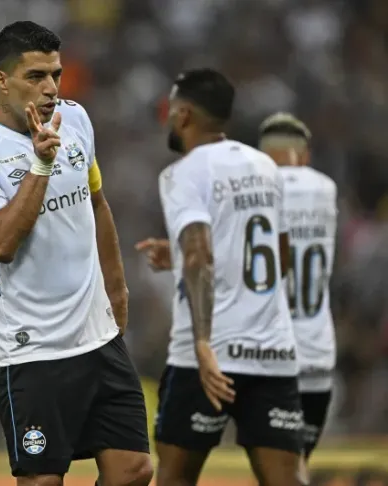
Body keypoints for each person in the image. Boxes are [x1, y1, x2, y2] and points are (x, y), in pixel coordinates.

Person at [0, 21, 152, 486]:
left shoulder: (75, 119)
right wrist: (41, 163)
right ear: (2, 80)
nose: (51, 88)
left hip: (97, 337)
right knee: (42, 482)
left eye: (55, 74)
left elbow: (96, 204)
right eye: (36, 76)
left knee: (135, 471)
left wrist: (116, 293)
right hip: (31, 350)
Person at [136, 69, 303, 486]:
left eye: (171, 111)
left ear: (185, 114)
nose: (168, 120)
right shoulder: (264, 165)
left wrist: (205, 344)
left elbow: (199, 256)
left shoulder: (182, 173)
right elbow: (277, 259)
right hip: (272, 353)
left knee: (175, 479)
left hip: (208, 359)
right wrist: (177, 256)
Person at [258, 112, 337, 483]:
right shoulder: (326, 188)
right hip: (319, 350)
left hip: (274, 353)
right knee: (298, 462)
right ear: (303, 156)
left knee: (280, 469)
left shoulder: (258, 187)